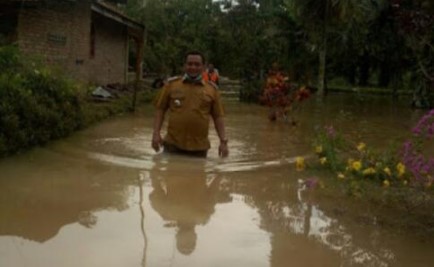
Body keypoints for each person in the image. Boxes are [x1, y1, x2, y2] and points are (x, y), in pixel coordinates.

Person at [152, 51, 229, 158]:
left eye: (197, 64)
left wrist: (223, 141)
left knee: (198, 174)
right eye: (190, 64)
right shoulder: (171, 85)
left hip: (199, 149)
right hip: (173, 145)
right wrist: (156, 133)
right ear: (184, 66)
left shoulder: (212, 90)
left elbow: (218, 117)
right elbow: (160, 110)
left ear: (203, 67)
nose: (193, 67)